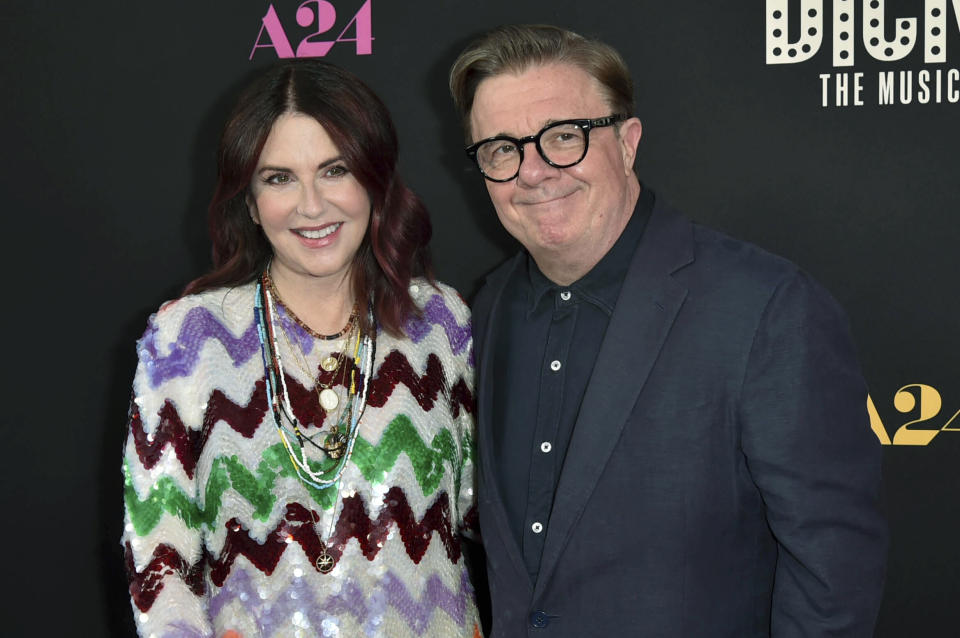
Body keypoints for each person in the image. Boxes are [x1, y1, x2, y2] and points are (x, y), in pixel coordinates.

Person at [449, 24, 887, 637]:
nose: (533, 172)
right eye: (501, 148)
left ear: (627, 143)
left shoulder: (766, 307)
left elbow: (834, 569)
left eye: (563, 137)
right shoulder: (486, 309)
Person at [121, 60, 481, 638]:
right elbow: (161, 560)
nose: (311, 206)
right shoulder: (188, 341)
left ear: (375, 178)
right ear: (249, 198)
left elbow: (495, 517)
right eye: (278, 177)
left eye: (334, 170)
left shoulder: (440, 324)